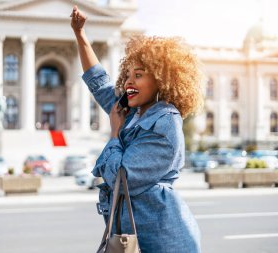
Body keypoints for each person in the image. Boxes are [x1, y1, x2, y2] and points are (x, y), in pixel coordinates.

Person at [71, 5, 203, 253]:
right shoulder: (132, 112)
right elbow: (99, 82)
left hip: (164, 241)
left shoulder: (165, 121)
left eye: (139, 74)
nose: (129, 81)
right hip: (135, 237)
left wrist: (114, 134)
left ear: (162, 81)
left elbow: (122, 176)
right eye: (128, 74)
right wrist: (80, 34)